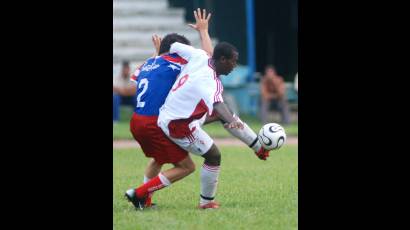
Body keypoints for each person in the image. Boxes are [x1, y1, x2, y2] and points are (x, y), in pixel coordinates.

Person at [125, 9, 270, 211]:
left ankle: (257, 147)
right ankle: (146, 194)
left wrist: (200, 32)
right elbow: (219, 106)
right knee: (211, 156)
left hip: (170, 114)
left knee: (162, 156)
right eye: (233, 61)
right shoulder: (209, 82)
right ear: (222, 60)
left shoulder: (199, 56)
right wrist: (230, 119)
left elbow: (176, 45)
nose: (235, 66)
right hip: (178, 125)